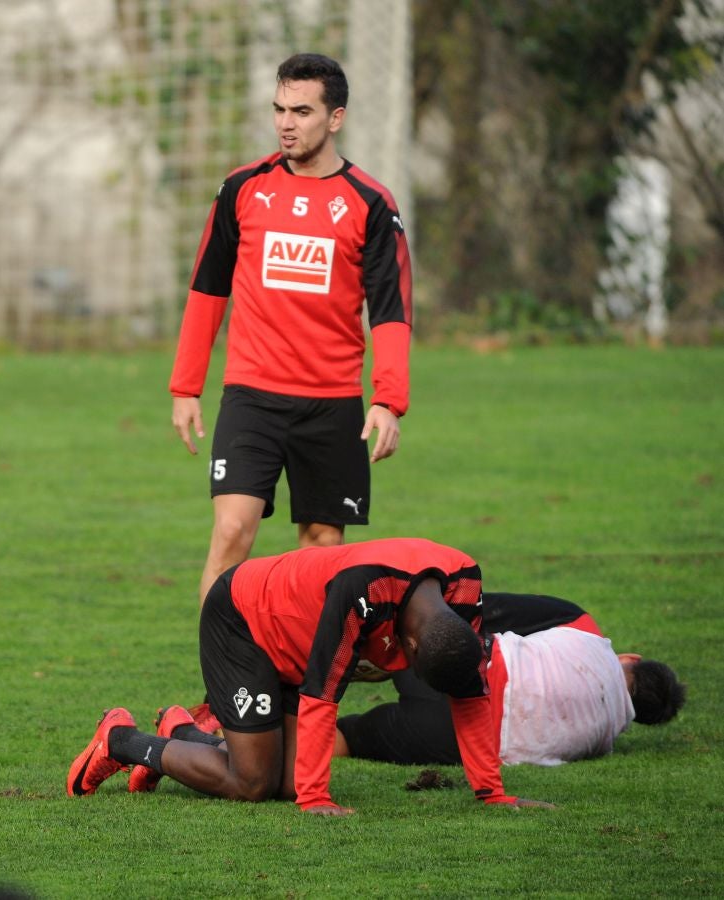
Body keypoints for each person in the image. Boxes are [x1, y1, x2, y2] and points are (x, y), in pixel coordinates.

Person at [169, 52, 413, 604]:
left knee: (321, 549)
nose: (285, 122)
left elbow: (392, 310)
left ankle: (308, 684)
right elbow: (208, 289)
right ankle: (222, 683)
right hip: (252, 395)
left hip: (332, 403)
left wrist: (388, 400)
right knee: (232, 533)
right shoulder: (243, 189)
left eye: (301, 111)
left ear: (335, 118)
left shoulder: (371, 204)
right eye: (279, 109)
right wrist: (186, 386)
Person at [66, 538, 552, 814]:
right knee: (254, 783)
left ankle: (183, 734)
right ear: (409, 644)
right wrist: (318, 800)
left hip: (297, 636)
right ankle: (123, 740)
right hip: (243, 621)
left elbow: (471, 693)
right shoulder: (363, 590)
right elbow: (323, 693)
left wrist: (494, 793)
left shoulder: (464, 587)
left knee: (287, 784)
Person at [335, 592, 687, 766]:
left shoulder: (585, 631)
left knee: (415, 614)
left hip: (463, 670)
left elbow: (485, 607)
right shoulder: (601, 742)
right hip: (457, 739)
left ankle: (348, 651)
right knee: (347, 738)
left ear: (631, 659)